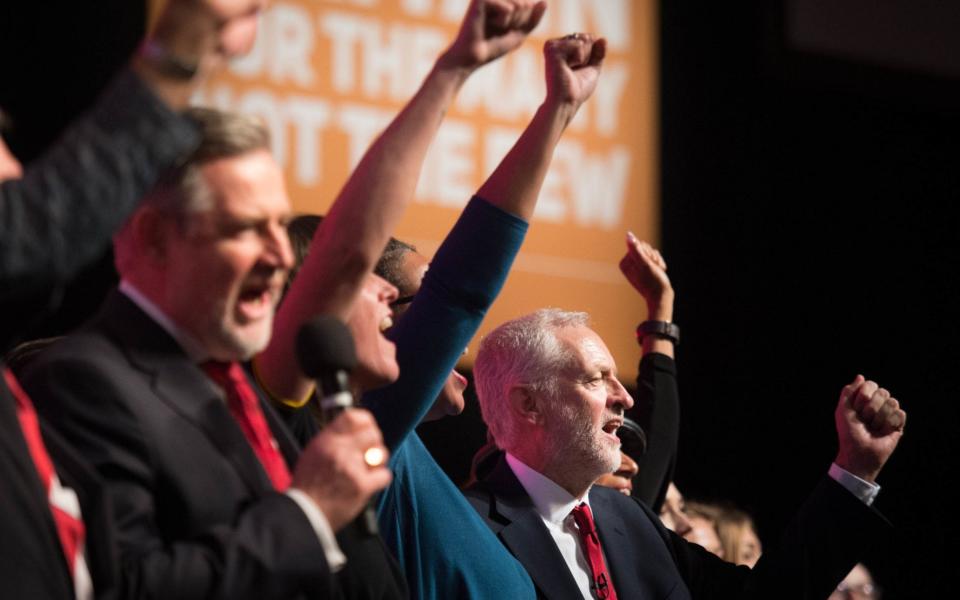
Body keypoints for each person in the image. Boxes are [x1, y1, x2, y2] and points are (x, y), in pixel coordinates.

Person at [21, 108, 394, 599]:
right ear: (155, 237)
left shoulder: (223, 377)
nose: (281, 255)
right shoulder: (79, 382)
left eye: (280, 225)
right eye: (245, 228)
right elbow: (131, 587)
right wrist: (309, 512)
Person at [0, 2, 266, 598]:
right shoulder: (84, 379)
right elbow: (32, 238)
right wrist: (177, 50)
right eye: (248, 226)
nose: (19, 169)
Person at [467, 308, 905, 599]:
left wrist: (856, 468)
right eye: (597, 379)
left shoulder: (630, 520)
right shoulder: (469, 530)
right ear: (529, 404)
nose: (625, 398)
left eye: (617, 378)